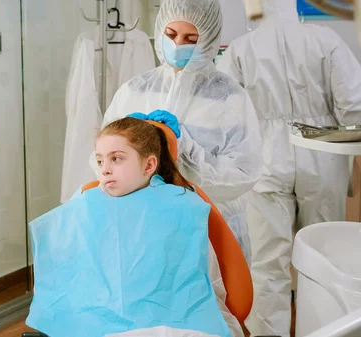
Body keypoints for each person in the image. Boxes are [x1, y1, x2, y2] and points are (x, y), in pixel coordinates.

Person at [216, 0, 361, 335]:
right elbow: (354, 108)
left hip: (264, 158)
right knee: (325, 257)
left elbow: (227, 114)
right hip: (322, 153)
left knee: (268, 264)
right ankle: (328, 329)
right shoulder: (325, 40)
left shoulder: (240, 49)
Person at [28, 116, 235, 337]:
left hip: (174, 320)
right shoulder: (86, 202)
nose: (105, 169)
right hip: (96, 316)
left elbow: (196, 278)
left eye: (116, 159)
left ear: (148, 165)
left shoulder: (184, 205)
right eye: (100, 161)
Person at [99, 0, 263, 264]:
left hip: (206, 234)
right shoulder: (135, 90)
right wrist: (126, 149)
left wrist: (183, 147)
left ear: (208, 39)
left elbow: (244, 175)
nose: (177, 45)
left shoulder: (229, 98)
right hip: (142, 230)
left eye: (191, 38)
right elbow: (98, 160)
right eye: (171, 35)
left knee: (209, 302)